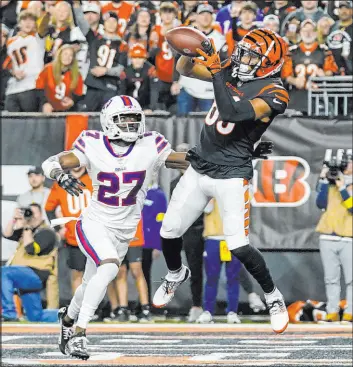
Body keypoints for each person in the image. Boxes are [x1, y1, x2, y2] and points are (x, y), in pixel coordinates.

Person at [152, 28, 290, 334]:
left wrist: (216, 71)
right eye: (244, 51)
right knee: (169, 230)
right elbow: (186, 70)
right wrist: (194, 51)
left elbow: (232, 110)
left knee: (238, 245)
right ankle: (176, 273)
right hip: (201, 166)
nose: (243, 58)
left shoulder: (274, 92)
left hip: (231, 174)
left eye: (253, 56)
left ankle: (272, 295)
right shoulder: (230, 68)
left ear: (269, 63)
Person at [42, 95, 189, 359]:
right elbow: (50, 162)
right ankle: (79, 333)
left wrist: (226, 157)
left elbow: (186, 160)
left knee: (89, 284)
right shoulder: (93, 143)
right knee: (109, 267)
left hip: (124, 230)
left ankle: (67, 319)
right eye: (125, 118)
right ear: (109, 122)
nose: (132, 123)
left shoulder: (151, 144)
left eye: (135, 118)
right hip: (95, 223)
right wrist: (60, 176)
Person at [1, 203, 58, 322]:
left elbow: (31, 249)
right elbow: (6, 234)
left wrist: (26, 226)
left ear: (41, 215)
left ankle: (9, 313)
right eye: (28, 211)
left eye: (33, 212)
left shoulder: (47, 232)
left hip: (36, 274)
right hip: (24, 278)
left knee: (3, 272)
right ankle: (71, 315)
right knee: (36, 317)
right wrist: (14, 219)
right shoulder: (27, 231)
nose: (30, 215)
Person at [315, 153, 352, 323]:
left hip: (348, 237)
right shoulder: (330, 184)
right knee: (331, 278)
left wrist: (343, 188)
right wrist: (323, 180)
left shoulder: (347, 185)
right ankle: (332, 311)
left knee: (351, 279)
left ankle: (350, 312)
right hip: (328, 237)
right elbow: (321, 204)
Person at [45, 166, 92, 294]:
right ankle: (79, 309)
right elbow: (49, 208)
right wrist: (59, 228)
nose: (76, 165)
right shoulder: (60, 183)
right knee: (77, 274)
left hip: (96, 237)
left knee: (98, 275)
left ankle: (95, 308)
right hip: (74, 237)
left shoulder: (95, 178)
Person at [175, 3, 226, 116]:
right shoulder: (187, 35)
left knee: (207, 126)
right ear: (196, 16)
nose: (205, 17)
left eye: (208, 14)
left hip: (209, 89)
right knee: (181, 125)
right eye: (202, 14)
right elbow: (177, 58)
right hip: (187, 85)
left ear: (212, 17)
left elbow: (222, 66)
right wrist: (175, 81)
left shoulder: (221, 39)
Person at [197, 199, 242, 324]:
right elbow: (206, 208)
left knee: (233, 277)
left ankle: (232, 312)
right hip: (213, 237)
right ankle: (208, 311)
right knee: (211, 277)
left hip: (233, 237)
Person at [281, 19, 338, 113]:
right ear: (300, 33)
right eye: (305, 30)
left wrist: (324, 74)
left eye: (311, 30)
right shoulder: (291, 52)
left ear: (316, 33)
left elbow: (332, 71)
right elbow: (286, 75)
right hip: (296, 96)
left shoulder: (325, 51)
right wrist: (294, 81)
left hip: (319, 95)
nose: (308, 33)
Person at [77, 12, 128, 112]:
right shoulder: (94, 39)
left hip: (110, 87)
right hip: (93, 85)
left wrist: (105, 71)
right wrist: (76, 5)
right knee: (86, 117)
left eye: (114, 21)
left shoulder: (122, 44)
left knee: (107, 118)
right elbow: (82, 23)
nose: (111, 24)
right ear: (103, 24)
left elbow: (122, 68)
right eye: (108, 21)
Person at [3, 10, 44, 112]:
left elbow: (44, 27)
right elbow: (5, 64)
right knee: (10, 125)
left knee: (30, 123)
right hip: (12, 88)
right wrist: (13, 73)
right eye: (24, 20)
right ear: (19, 23)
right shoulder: (9, 41)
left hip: (31, 86)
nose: (28, 23)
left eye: (31, 20)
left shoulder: (38, 38)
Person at [149, 1, 180, 111]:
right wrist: (154, 43)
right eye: (164, 12)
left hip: (175, 76)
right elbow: (150, 55)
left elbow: (181, 55)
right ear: (160, 15)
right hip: (160, 75)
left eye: (170, 12)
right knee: (158, 109)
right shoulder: (155, 30)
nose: (167, 15)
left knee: (175, 110)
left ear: (174, 14)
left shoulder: (179, 30)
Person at [36, 44, 84, 113]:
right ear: (59, 55)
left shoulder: (76, 74)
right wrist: (45, 103)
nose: (68, 57)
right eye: (65, 54)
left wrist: (72, 101)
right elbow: (39, 88)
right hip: (48, 108)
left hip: (66, 110)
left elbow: (79, 94)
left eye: (71, 55)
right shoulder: (48, 69)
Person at [141, 183, 167, 304]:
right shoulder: (135, 190)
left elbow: (161, 221)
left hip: (148, 243)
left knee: (145, 273)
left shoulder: (159, 195)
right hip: (132, 241)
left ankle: (145, 305)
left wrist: (157, 245)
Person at [120, 43, 155, 112]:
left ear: (144, 58)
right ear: (131, 58)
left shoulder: (151, 70)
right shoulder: (125, 71)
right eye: (135, 57)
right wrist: (122, 107)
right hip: (129, 106)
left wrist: (151, 107)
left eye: (140, 57)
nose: (137, 60)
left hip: (145, 105)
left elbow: (154, 90)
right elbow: (122, 90)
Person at [327, 1, 353, 76]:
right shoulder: (333, 27)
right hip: (335, 70)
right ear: (338, 11)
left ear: (352, 11)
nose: (343, 11)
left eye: (346, 9)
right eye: (341, 9)